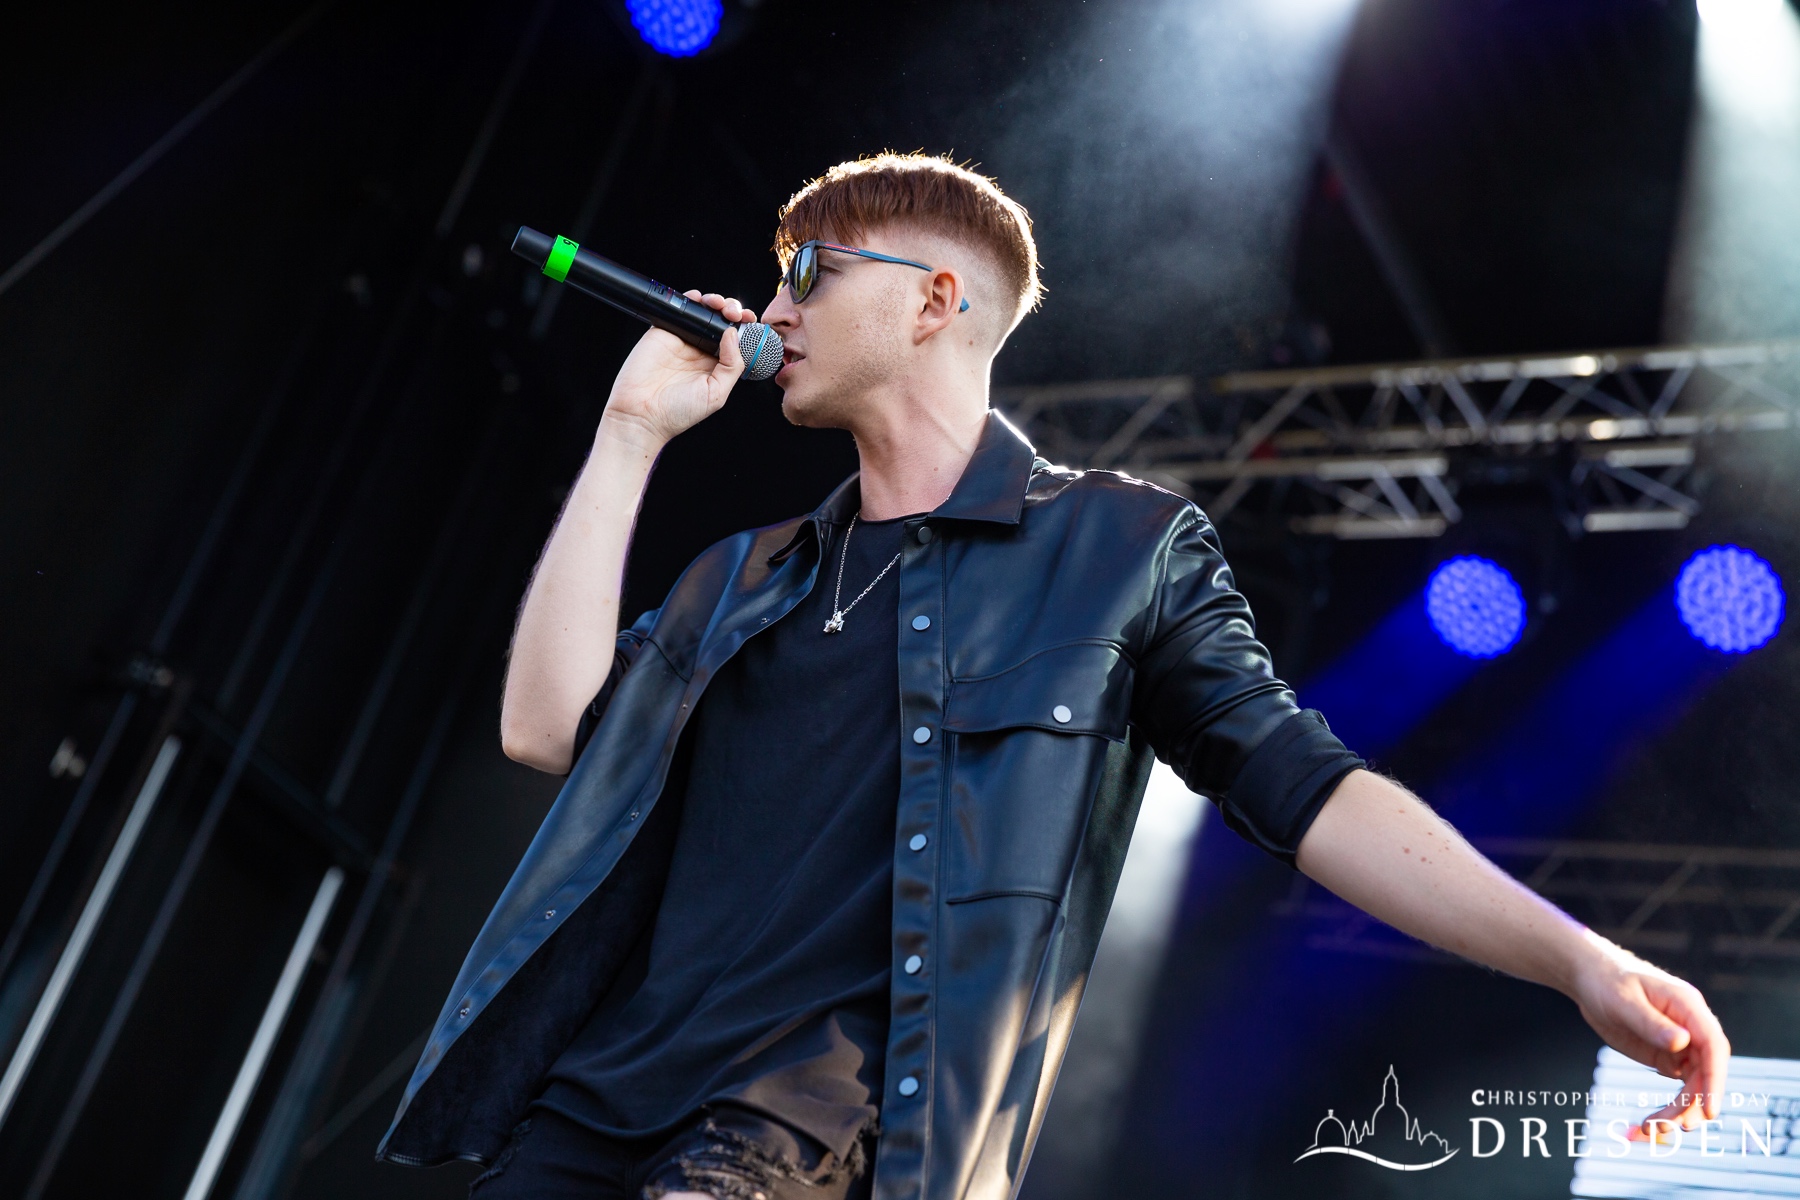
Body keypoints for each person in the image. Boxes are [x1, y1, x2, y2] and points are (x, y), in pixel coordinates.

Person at [377, 153, 1729, 1200]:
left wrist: (1578, 959)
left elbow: (1310, 791)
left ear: (934, 299)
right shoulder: (747, 574)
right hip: (585, 1112)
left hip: (799, 1136)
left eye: (810, 270)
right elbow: (544, 728)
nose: (775, 306)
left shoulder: (1116, 551)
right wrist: (629, 431)